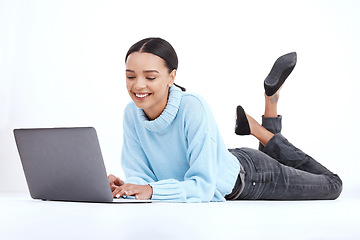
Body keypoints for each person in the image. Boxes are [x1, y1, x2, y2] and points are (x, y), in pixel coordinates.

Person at [108, 37, 342, 202]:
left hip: (253, 177)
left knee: (332, 184)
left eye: (150, 77)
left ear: (172, 77)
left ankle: (259, 130)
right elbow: (143, 176)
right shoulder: (132, 113)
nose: (138, 85)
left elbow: (203, 186)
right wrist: (126, 188)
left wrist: (150, 190)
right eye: (130, 76)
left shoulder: (192, 106)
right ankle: (271, 102)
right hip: (224, 159)